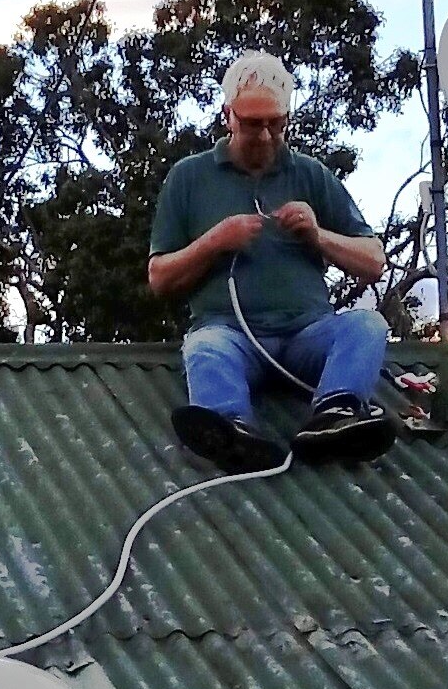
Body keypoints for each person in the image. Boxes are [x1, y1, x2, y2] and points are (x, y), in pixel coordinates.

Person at [148, 50, 394, 471]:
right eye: (251, 123)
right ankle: (231, 430)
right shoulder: (189, 177)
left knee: (367, 325)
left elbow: (374, 261)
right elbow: (158, 279)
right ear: (228, 116)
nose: (264, 136)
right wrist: (215, 241)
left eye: (275, 124)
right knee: (204, 347)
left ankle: (334, 414)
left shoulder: (310, 174)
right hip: (231, 334)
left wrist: (318, 236)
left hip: (307, 333)